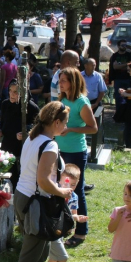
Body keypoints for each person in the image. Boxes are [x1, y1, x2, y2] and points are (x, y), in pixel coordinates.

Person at [9, 101, 73, 262]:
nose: (66, 127)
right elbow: (44, 180)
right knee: (30, 252)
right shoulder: (50, 144)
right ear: (56, 122)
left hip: (23, 196)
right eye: (65, 123)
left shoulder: (33, 136)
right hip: (35, 202)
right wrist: (62, 191)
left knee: (41, 249)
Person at [54, 68, 98, 248]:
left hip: (75, 152)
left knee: (76, 190)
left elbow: (93, 128)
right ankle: (63, 225)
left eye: (64, 80)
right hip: (59, 150)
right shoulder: (61, 99)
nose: (61, 83)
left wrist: (71, 129)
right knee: (60, 188)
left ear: (73, 81)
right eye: (60, 80)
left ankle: (81, 231)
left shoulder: (82, 102)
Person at [41, 163, 88, 262]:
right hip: (52, 231)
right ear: (59, 180)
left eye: (73, 184)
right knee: (62, 257)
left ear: (78, 183)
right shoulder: (54, 193)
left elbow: (72, 214)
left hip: (60, 232)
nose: (69, 187)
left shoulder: (74, 197)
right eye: (66, 183)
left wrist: (78, 218)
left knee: (54, 258)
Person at [0, 79, 39, 189]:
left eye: (16, 92)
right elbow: (4, 124)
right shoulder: (5, 104)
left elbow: (38, 127)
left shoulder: (32, 107)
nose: (11, 94)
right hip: (8, 147)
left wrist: (26, 132)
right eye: (10, 90)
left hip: (24, 148)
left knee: (21, 179)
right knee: (7, 178)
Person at [109, 39, 131, 115]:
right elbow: (114, 67)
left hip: (128, 79)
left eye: (126, 45)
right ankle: (119, 115)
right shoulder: (115, 56)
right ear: (118, 46)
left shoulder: (129, 55)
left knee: (129, 97)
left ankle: (128, 114)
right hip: (118, 80)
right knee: (118, 97)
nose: (124, 47)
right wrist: (126, 64)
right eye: (123, 45)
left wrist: (120, 66)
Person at [118, 61, 131, 150]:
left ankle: (129, 146)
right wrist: (124, 91)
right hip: (130, 106)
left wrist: (126, 94)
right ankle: (128, 145)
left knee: (129, 127)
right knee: (128, 126)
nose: (128, 72)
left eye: (130, 70)